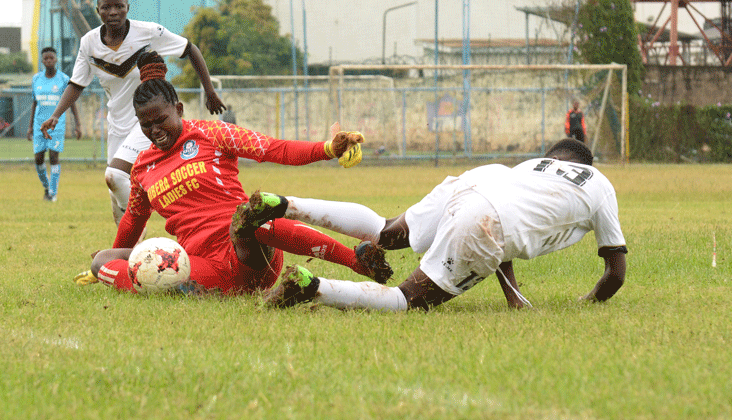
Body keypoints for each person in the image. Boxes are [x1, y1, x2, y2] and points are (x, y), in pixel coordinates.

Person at [74, 51, 390, 294]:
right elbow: (133, 220)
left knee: (250, 214)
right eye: (146, 124)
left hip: (249, 253)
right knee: (101, 259)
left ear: (179, 109)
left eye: (161, 120)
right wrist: (108, 264)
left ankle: (357, 262)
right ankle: (184, 288)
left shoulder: (213, 134)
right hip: (198, 264)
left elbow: (273, 149)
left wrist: (327, 149)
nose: (155, 130)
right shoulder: (142, 167)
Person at [253, 138, 627, 312]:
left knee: (384, 231)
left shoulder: (531, 166)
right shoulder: (598, 183)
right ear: (586, 166)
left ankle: (284, 204)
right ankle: (311, 286)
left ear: (554, 158)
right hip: (485, 219)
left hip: (475, 185)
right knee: (407, 300)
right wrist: (589, 301)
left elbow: (501, 215)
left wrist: (514, 295)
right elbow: (616, 273)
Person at [40, 0, 225, 231]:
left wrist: (209, 91)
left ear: (128, 8)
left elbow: (190, 49)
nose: (113, 12)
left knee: (114, 176)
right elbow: (77, 83)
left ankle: (155, 221)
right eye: (107, 7)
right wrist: (55, 115)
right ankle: (131, 254)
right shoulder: (89, 43)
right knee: (116, 196)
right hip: (117, 124)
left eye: (119, 6)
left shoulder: (148, 32)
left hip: (147, 121)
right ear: (98, 10)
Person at [27, 47, 82, 202]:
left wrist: (78, 124)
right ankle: (46, 186)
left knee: (53, 156)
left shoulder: (64, 79)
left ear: (56, 59)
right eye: (46, 58)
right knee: (38, 159)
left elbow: (71, 102)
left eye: (51, 58)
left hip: (56, 125)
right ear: (42, 60)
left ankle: (52, 193)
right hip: (39, 125)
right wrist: (30, 127)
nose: (49, 60)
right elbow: (34, 103)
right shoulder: (36, 79)